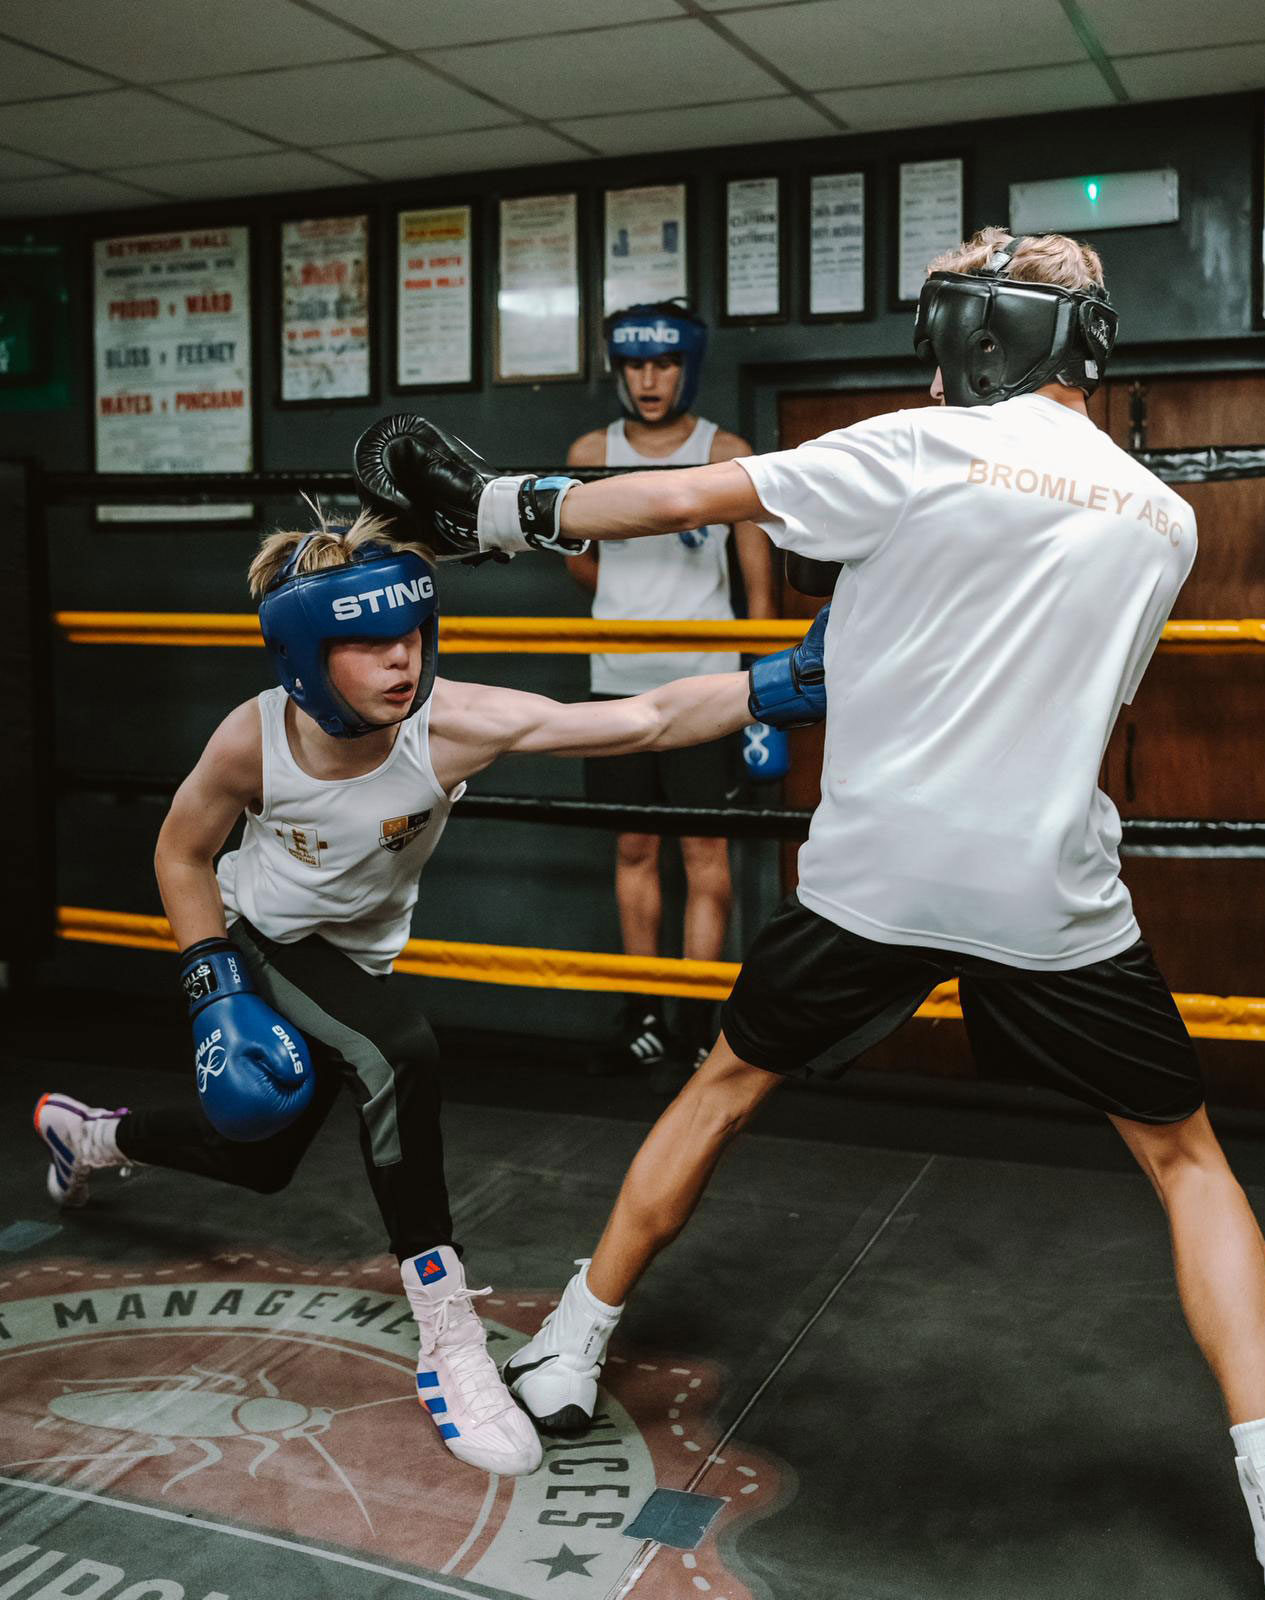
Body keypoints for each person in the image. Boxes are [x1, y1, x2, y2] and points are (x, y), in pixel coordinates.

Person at [353, 228, 1265, 1595]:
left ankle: (568, 1347)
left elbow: (682, 497)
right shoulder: (1164, 517)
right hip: (1046, 885)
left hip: (875, 876)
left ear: (974, 336)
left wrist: (489, 510)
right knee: (1187, 1163)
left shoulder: (916, 445)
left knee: (725, 1087)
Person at [34, 508, 825, 1484]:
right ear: (305, 658)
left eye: (410, 634)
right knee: (397, 1051)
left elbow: (643, 719)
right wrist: (214, 987)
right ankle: (449, 1342)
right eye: (368, 644)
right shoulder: (253, 740)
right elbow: (181, 852)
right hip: (261, 939)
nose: (401, 659)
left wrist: (779, 682)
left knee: (259, 1156)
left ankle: (93, 1138)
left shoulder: (449, 725)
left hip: (351, 965)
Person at [565, 303, 776, 1087]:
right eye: (635, 365)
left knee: (704, 853)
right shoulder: (591, 454)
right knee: (633, 848)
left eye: (663, 364)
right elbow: (581, 563)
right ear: (620, 370)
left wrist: (761, 697)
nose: (649, 381)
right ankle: (646, 1017)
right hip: (616, 680)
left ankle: (694, 1022)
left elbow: (759, 591)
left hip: (705, 684)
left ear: (687, 367)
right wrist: (633, 601)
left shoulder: (726, 455)